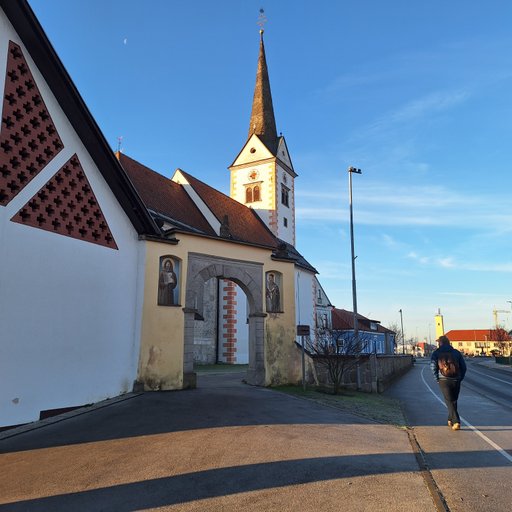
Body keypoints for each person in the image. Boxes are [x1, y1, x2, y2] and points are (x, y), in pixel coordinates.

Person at [430, 335, 466, 430]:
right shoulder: (456, 352)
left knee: (449, 400)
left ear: (440, 343)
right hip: (456, 379)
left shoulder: (436, 353)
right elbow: (464, 367)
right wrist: (460, 377)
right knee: (453, 400)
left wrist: (437, 378)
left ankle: (456, 421)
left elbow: (433, 366)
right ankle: (450, 419)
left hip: (444, 379)